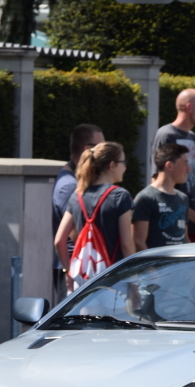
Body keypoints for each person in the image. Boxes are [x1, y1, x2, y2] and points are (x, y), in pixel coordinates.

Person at [54, 142, 136, 290]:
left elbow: (59, 241)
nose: (125, 167)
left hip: (84, 281)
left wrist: (68, 272)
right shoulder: (120, 196)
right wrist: (134, 282)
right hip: (115, 281)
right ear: (112, 165)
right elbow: (126, 244)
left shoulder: (77, 195)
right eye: (123, 162)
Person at [150, 89, 195, 241]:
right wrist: (193, 215)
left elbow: (194, 181)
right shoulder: (166, 135)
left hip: (194, 226)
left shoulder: (192, 137)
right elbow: (157, 182)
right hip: (176, 226)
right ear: (189, 107)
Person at [53, 124, 103, 295]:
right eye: (101, 147)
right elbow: (78, 236)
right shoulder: (70, 186)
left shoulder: (74, 181)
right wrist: (70, 271)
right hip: (74, 270)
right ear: (88, 149)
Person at [133, 143, 191, 251]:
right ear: (169, 165)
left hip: (180, 265)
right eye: (185, 163)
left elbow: (185, 237)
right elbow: (138, 241)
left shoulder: (183, 198)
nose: (189, 168)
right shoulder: (146, 198)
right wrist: (152, 267)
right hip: (158, 266)